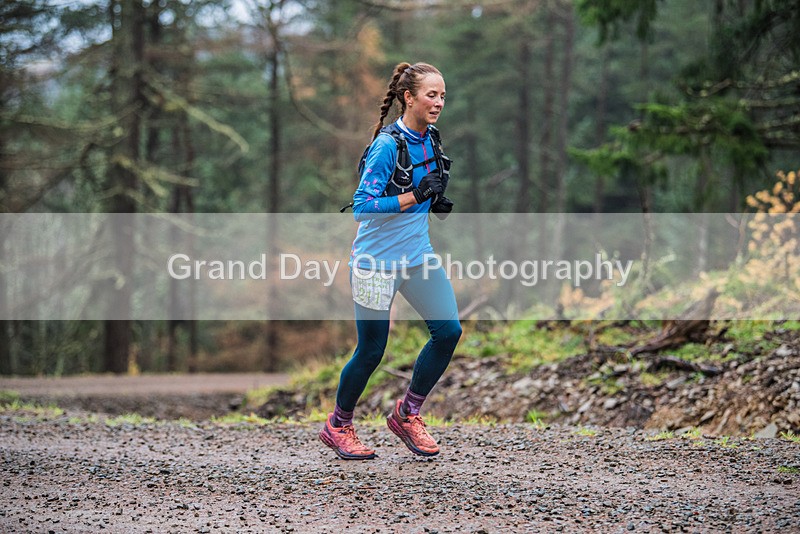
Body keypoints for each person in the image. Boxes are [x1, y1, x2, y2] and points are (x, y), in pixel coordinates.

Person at [319, 62, 462, 460]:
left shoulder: (431, 138)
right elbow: (363, 209)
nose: (439, 102)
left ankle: (407, 413)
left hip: (418, 258)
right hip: (374, 263)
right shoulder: (387, 146)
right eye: (432, 95)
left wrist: (435, 198)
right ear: (409, 97)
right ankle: (338, 425)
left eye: (443, 95)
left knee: (448, 331)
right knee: (371, 351)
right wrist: (415, 196)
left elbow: (422, 191)